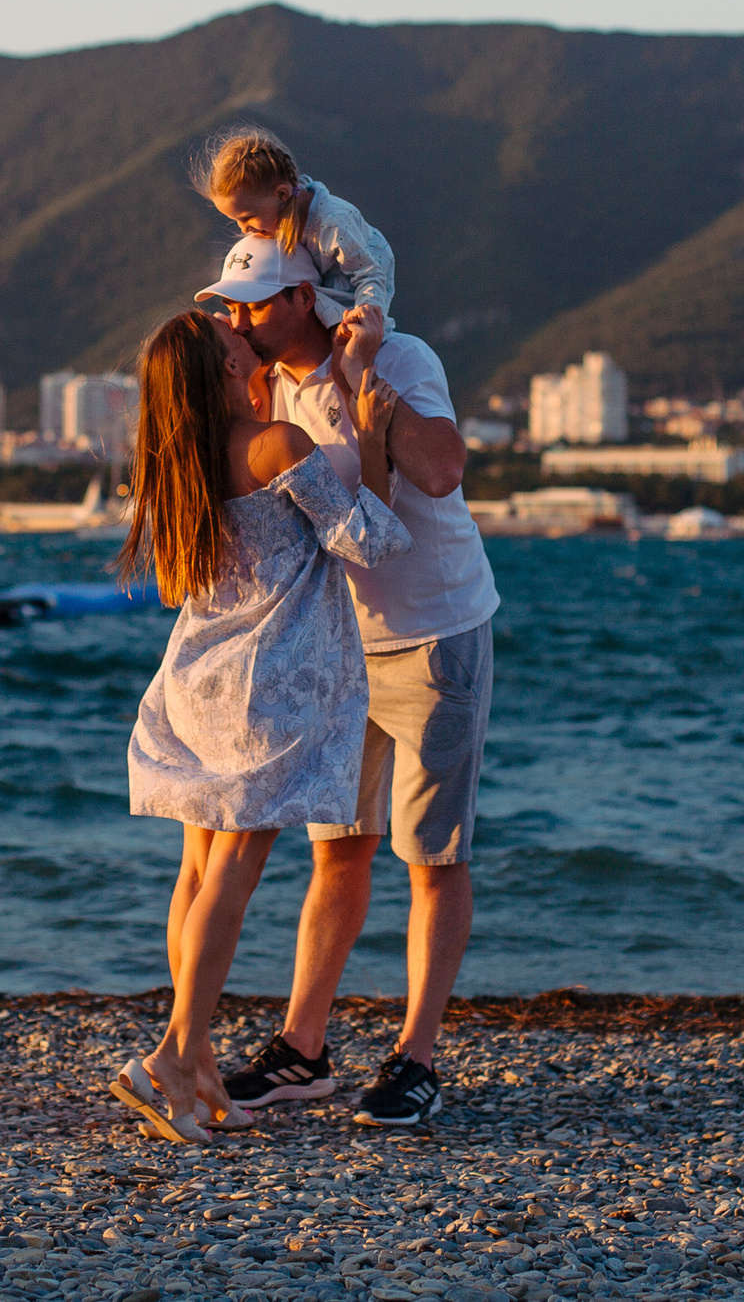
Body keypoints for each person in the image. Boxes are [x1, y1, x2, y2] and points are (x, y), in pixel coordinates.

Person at [200, 236, 500, 1128]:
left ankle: (417, 1058)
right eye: (234, 304)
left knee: (433, 854)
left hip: (436, 632)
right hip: (340, 648)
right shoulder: (270, 390)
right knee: (336, 849)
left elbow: (441, 471)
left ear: (305, 296)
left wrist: (361, 375)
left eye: (257, 301)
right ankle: (304, 1049)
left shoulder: (397, 357)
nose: (241, 318)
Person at [108, 307, 411, 1144]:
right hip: (263, 690)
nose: (240, 329)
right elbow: (370, 540)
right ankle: (173, 1054)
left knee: (198, 871)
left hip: (196, 681)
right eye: (229, 335)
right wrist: (372, 436)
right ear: (222, 369)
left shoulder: (182, 466)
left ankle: (198, 1065)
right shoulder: (276, 444)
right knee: (234, 875)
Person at [193, 126, 397, 327]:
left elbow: (370, 274)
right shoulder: (278, 214)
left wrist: (365, 316)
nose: (243, 229)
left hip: (356, 287)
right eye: (235, 220)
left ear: (282, 194)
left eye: (248, 217)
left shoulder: (334, 224)